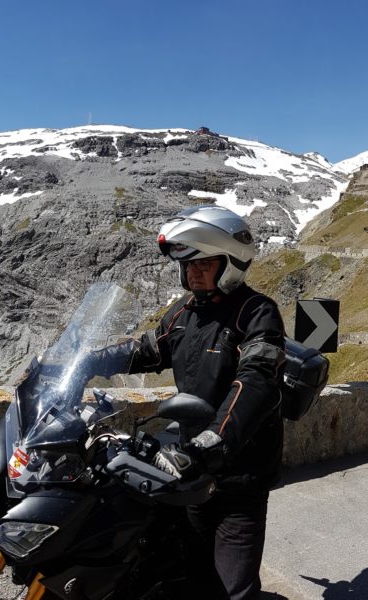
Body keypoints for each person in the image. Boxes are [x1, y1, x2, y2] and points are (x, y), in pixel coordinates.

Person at [85, 205, 285, 600]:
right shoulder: (183, 312)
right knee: (188, 572)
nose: (192, 272)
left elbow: (256, 381)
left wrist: (212, 443)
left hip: (238, 473)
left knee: (234, 588)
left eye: (202, 263)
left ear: (228, 264)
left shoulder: (257, 313)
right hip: (189, 468)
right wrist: (84, 362)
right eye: (187, 264)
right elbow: (143, 350)